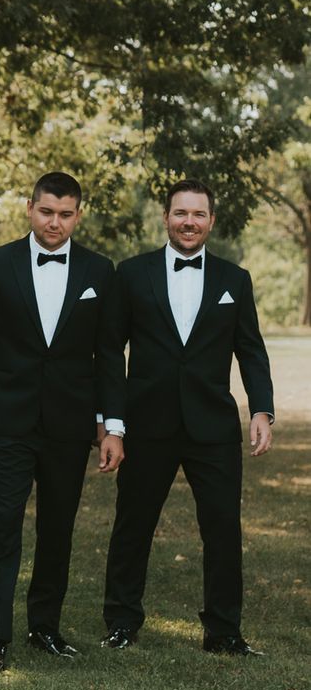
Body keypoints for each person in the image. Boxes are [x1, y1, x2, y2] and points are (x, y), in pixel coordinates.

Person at [0, 171, 125, 672]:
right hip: (6, 422)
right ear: (30, 209)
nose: (55, 222)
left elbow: (108, 354)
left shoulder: (100, 270)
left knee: (58, 529)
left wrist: (112, 425)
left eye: (65, 214)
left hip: (70, 425)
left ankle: (45, 627)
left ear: (78, 215)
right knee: (1, 526)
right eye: (47, 212)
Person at [100, 180, 274, 655]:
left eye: (198, 214)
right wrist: (112, 423)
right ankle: (121, 621)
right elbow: (110, 353)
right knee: (133, 525)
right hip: (146, 423)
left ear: (211, 221)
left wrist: (262, 409)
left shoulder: (235, 279)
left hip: (212, 426)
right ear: (166, 217)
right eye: (181, 213)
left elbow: (251, 350)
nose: (189, 222)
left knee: (223, 529)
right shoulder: (131, 274)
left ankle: (223, 631)